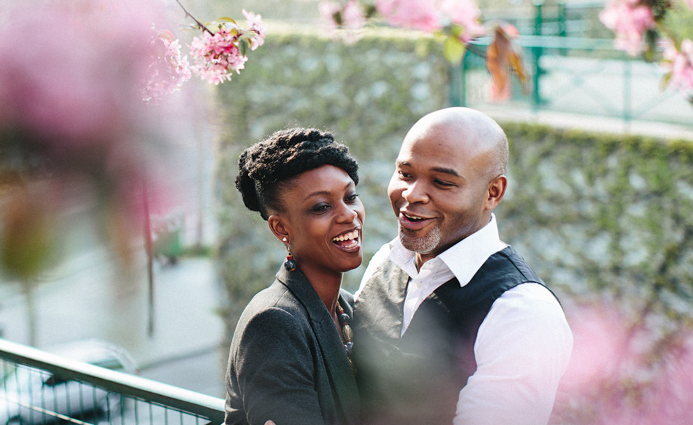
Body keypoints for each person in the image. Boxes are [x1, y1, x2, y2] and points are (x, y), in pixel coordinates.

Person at [352, 107, 573, 425]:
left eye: (442, 182)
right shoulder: (385, 263)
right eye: (405, 174)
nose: (411, 194)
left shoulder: (522, 312)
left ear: (492, 193)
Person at [225, 128, 365, 425]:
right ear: (281, 229)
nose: (348, 214)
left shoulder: (349, 309)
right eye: (321, 207)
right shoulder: (273, 323)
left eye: (350, 197)